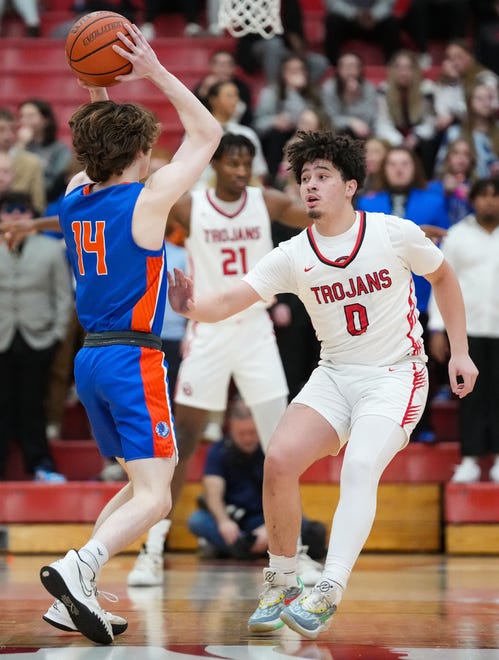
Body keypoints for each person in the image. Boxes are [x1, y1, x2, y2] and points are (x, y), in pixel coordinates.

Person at [167, 130, 478, 639]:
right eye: (304, 177)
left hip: (396, 374)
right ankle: (282, 581)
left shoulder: (392, 233)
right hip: (334, 374)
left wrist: (460, 351)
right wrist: (192, 307)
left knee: (359, 465)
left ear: (350, 185)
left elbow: (443, 277)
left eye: (322, 176)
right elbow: (230, 300)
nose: (309, 186)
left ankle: (329, 588)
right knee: (280, 459)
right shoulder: (293, 253)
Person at [36, 22, 222, 645]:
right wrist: (154, 72)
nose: (156, 157)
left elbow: (100, 141)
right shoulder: (146, 201)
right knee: (157, 497)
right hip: (132, 360)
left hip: (91, 360)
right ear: (138, 154)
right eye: (149, 149)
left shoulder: (72, 195)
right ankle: (79, 566)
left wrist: (95, 87)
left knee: (145, 482)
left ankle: (75, 592)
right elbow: (209, 133)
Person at [127, 133, 321, 589]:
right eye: (231, 162)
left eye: (245, 163)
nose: (239, 170)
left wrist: (394, 226)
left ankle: (296, 555)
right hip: (208, 329)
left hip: (255, 329)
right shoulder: (191, 205)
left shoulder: (266, 201)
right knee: (183, 443)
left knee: (282, 446)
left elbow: (322, 215)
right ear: (215, 164)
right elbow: (139, 191)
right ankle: (151, 550)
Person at [357, 145, 450, 442]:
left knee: (420, 365)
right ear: (383, 169)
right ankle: (377, 424)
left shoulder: (434, 201)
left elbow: (447, 247)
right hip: (379, 298)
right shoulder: (367, 202)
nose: (398, 168)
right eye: (392, 163)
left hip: (422, 294)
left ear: (415, 167)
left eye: (405, 163)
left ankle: (421, 425)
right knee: (380, 365)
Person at [428, 177, 499, 483]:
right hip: (466, 331)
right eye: (482, 195)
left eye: (495, 196)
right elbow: (439, 281)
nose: (489, 201)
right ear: (472, 199)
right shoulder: (457, 236)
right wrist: (436, 328)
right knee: (469, 396)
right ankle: (469, 458)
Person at [0, 190, 73, 483]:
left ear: (32, 215)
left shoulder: (50, 248)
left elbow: (63, 295)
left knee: (33, 405)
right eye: (8, 209)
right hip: (2, 336)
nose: (16, 215)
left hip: (38, 337)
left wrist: (56, 335)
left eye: (23, 209)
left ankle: (40, 463)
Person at [252, 54, 324, 184]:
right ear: (283, 73)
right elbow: (257, 124)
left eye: (299, 70)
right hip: (277, 139)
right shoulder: (270, 93)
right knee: (277, 133)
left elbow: (309, 118)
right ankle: (275, 180)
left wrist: (292, 91)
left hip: (304, 135)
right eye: (291, 70)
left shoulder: (313, 94)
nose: (296, 74)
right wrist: (273, 121)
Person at [234, 0, 329, 84]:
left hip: (285, 49)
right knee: (274, 44)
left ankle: (301, 92)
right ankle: (273, 90)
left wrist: (299, 49)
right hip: (256, 48)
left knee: (320, 62)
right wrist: (287, 35)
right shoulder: (252, 3)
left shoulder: (291, 2)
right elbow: (251, 32)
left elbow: (297, 34)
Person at [17, 98, 73, 204]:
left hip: (48, 200)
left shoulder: (60, 149)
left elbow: (55, 182)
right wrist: (21, 145)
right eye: (22, 116)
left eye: (30, 116)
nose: (24, 121)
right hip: (20, 201)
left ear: (45, 119)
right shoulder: (20, 146)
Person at [320, 52, 378, 141]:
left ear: (360, 69)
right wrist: (350, 121)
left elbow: (369, 119)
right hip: (335, 133)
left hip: (364, 133)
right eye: (346, 67)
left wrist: (355, 98)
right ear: (338, 69)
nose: (350, 71)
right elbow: (329, 118)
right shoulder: (328, 88)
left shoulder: (369, 88)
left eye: (353, 66)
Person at [323, 0, 401, 66]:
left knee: (392, 23)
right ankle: (333, 66)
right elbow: (332, 2)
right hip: (347, 19)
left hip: (374, 21)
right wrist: (355, 14)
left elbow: (387, 3)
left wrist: (374, 15)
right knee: (332, 21)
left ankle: (392, 65)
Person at [0, 108, 46, 213]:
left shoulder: (32, 162)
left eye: (12, 129)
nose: (8, 135)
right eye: (1, 130)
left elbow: (38, 205)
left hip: (21, 223)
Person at [193, 49, 253, 127]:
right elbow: (194, 112)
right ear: (211, 66)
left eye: (227, 64)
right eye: (219, 64)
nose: (223, 68)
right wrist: (205, 90)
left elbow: (247, 115)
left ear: (233, 67)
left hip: (236, 127)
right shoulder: (204, 85)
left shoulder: (242, 87)